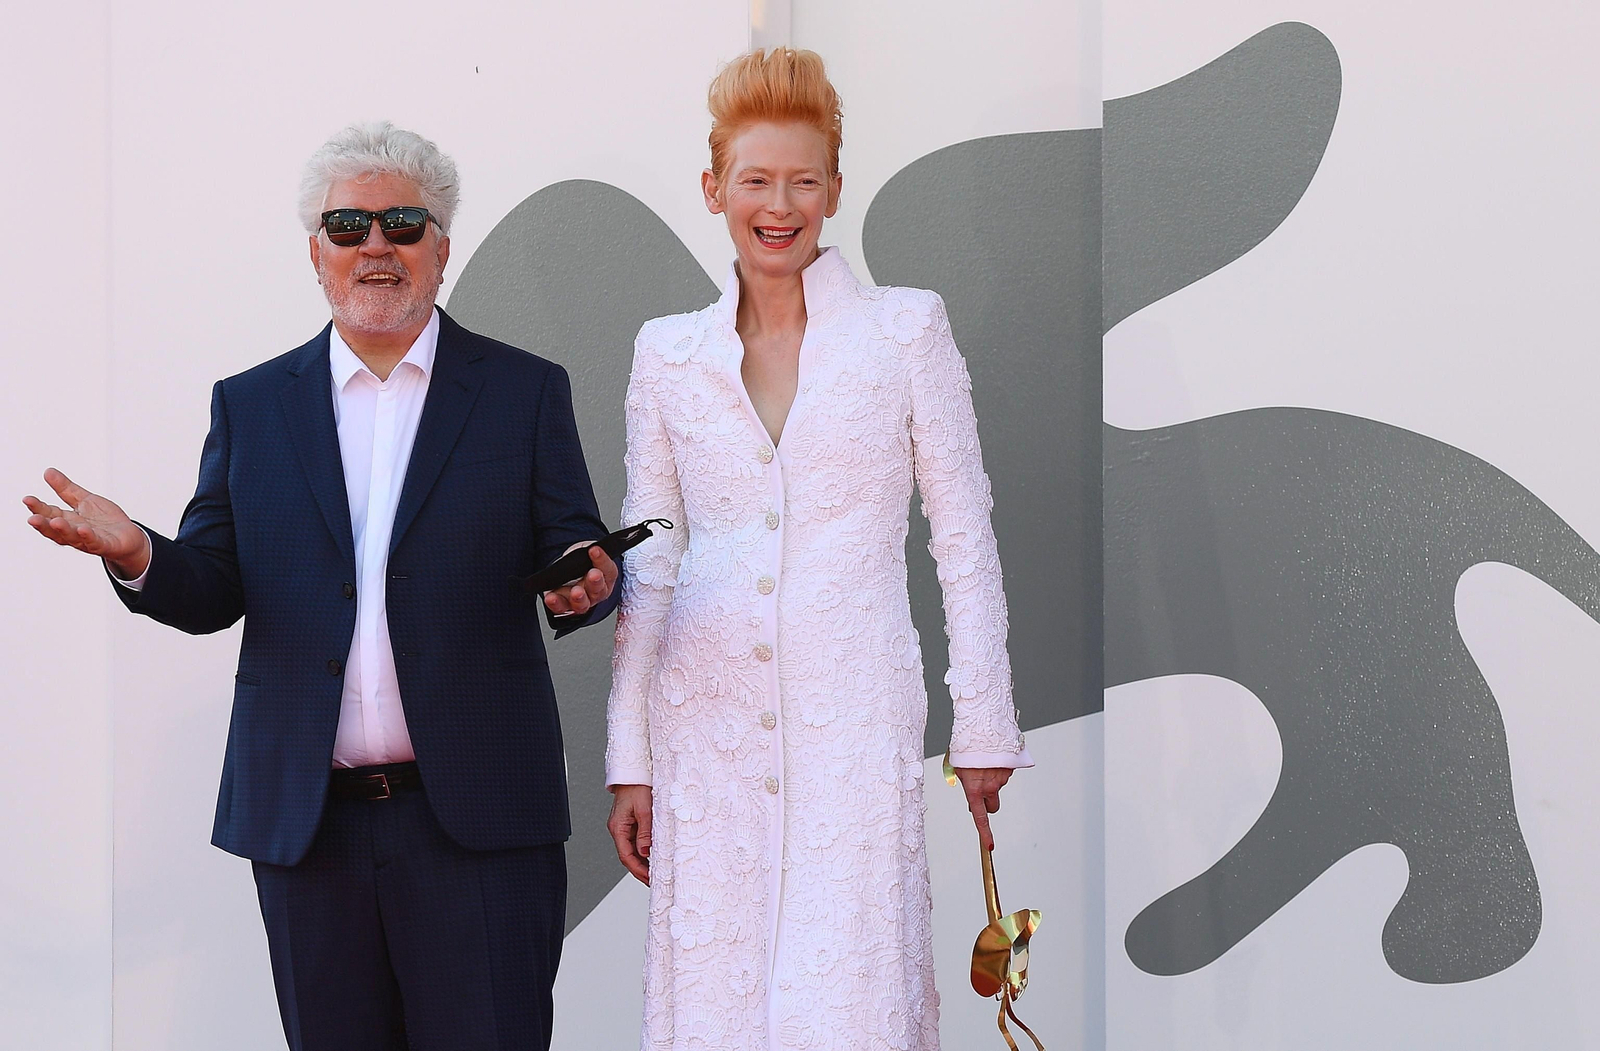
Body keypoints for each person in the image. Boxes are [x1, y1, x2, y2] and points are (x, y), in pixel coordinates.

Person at [22, 121, 619, 1051]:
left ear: (442, 246)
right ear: (316, 252)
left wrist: (587, 582)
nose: (376, 244)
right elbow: (212, 586)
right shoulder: (251, 405)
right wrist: (136, 548)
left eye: (402, 222)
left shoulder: (523, 391)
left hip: (482, 827)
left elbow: (577, 544)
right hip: (311, 830)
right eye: (348, 225)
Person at [603, 49, 1033, 1050]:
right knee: (717, 997)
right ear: (715, 190)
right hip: (701, 725)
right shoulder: (666, 354)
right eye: (755, 180)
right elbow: (654, 551)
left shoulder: (904, 331)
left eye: (802, 180)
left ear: (834, 188)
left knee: (852, 994)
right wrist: (632, 755)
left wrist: (983, 726)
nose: (779, 204)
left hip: (856, 714)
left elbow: (962, 533)